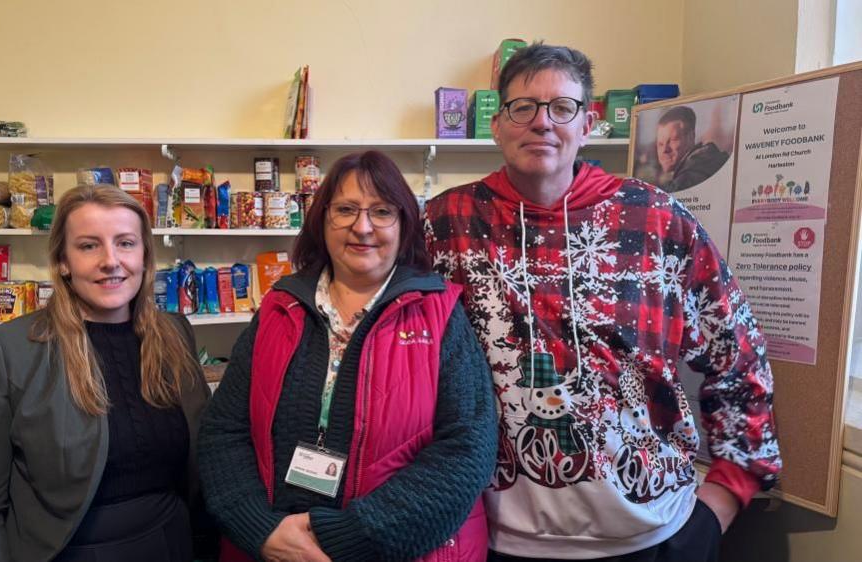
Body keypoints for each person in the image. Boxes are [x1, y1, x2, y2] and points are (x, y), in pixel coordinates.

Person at [424, 43, 781, 562]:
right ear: (497, 125)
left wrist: (722, 499)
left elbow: (737, 353)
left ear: (587, 123)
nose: (542, 123)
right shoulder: (446, 222)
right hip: (494, 537)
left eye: (562, 107)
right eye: (523, 107)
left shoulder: (656, 219)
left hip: (655, 533)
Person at [198, 151, 497, 562]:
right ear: (322, 220)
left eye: (381, 211)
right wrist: (260, 529)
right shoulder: (279, 307)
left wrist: (349, 537)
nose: (362, 227)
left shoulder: (441, 313)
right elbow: (223, 432)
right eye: (345, 210)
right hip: (275, 548)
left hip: (398, 551)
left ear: (404, 224)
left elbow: (468, 450)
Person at [0, 184, 214, 562]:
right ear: (63, 262)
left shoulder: (174, 335)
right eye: (89, 246)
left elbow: (199, 472)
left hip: (171, 545)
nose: (111, 260)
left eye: (125, 243)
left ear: (145, 255)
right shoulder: (6, 351)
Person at [655, 105, 730, 193]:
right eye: (660, 144)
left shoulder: (686, 182)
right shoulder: (710, 162)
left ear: (691, 137)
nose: (664, 150)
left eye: (673, 140)